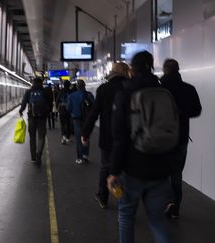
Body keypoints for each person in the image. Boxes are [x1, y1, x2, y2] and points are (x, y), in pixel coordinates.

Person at [108, 51, 174, 243]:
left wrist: (114, 172)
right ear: (151, 66)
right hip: (161, 167)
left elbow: (119, 138)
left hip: (132, 168)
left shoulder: (125, 94)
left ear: (132, 70)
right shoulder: (164, 93)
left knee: (126, 216)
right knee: (157, 220)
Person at [81, 62, 130, 209]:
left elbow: (94, 113)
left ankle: (103, 197)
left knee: (105, 167)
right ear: (124, 71)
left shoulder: (103, 89)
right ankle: (124, 200)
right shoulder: (130, 87)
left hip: (108, 136)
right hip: (129, 138)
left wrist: (85, 132)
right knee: (126, 170)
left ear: (112, 73)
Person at [160, 58, 202, 219]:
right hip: (181, 137)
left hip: (161, 137)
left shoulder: (159, 88)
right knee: (176, 174)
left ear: (165, 70)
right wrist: (182, 113)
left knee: (162, 172)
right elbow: (197, 110)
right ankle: (175, 208)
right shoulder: (189, 89)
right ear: (178, 69)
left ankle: (166, 203)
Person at [19, 77, 51, 165]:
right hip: (42, 118)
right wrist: (49, 112)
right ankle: (39, 153)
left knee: (32, 138)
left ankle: (33, 158)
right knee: (41, 137)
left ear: (33, 83)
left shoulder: (29, 92)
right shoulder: (44, 91)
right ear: (41, 83)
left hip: (32, 118)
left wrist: (21, 111)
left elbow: (24, 103)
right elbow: (49, 103)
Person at [66, 79, 94, 164]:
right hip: (87, 119)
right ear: (84, 86)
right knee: (86, 136)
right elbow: (94, 106)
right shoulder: (89, 95)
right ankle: (85, 155)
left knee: (79, 138)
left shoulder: (71, 96)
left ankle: (79, 158)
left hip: (77, 119)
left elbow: (68, 108)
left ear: (77, 87)